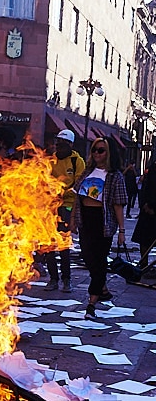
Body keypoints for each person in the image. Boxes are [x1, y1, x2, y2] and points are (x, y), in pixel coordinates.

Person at [71, 137, 127, 318]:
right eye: (94, 149)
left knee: (99, 261)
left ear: (109, 153)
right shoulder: (87, 172)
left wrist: (122, 231)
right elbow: (77, 198)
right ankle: (102, 288)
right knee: (88, 257)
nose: (96, 153)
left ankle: (91, 304)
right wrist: (73, 220)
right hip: (85, 218)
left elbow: (118, 204)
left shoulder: (115, 176)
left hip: (103, 221)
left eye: (101, 150)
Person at [43, 129, 85, 293]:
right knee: (49, 244)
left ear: (70, 145)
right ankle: (53, 279)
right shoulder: (51, 161)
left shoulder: (77, 161)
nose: (59, 146)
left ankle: (66, 280)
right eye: (58, 142)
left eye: (63, 143)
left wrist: (63, 193)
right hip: (50, 206)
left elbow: (79, 183)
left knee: (63, 244)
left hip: (67, 206)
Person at [132, 160, 156, 268]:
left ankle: (144, 264)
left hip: (150, 207)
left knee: (146, 239)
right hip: (148, 208)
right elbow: (149, 186)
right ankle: (144, 264)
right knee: (145, 240)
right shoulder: (153, 167)